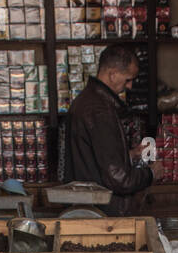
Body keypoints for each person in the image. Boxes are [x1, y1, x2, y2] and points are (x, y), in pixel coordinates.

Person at [64, 44, 153, 215]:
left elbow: (92, 159)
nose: (130, 86)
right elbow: (119, 179)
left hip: (89, 207)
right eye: (128, 79)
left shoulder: (87, 100)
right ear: (112, 74)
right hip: (104, 213)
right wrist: (150, 174)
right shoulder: (100, 110)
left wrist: (127, 155)